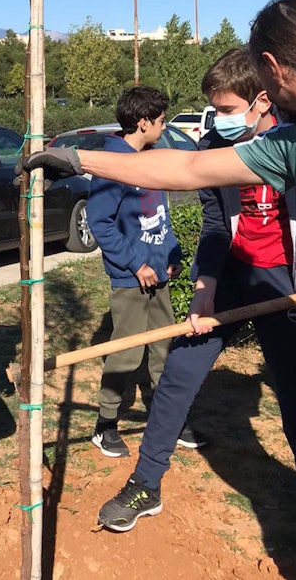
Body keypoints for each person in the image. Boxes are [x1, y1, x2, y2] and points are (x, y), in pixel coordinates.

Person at [97, 49, 296, 531]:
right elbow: (213, 224)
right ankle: (146, 482)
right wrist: (205, 286)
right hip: (231, 274)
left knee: (293, 398)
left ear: (262, 101)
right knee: (179, 374)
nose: (217, 120)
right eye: (214, 110)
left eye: (227, 110)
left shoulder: (290, 141)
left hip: (285, 284)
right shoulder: (212, 147)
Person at [21, 0, 296, 195]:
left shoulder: (288, 143)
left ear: (272, 67)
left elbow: (189, 168)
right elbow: (189, 166)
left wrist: (76, 159)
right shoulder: (285, 142)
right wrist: (79, 159)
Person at [85, 85, 186, 459]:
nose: (163, 127)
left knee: (164, 348)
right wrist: (135, 263)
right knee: (126, 352)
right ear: (143, 122)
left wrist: (169, 252)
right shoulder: (114, 164)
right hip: (132, 279)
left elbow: (162, 214)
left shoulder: (152, 158)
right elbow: (101, 222)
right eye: (160, 121)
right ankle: (105, 424)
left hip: (159, 274)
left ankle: (167, 420)